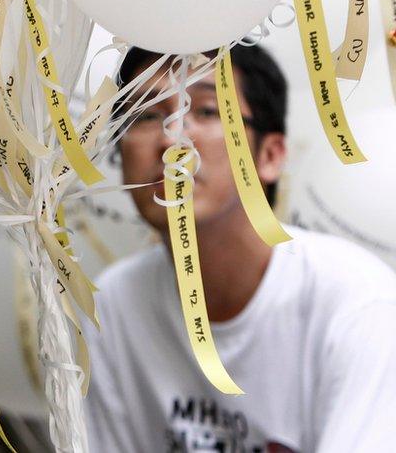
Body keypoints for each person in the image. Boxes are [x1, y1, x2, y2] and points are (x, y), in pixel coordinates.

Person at [84, 45, 396, 452]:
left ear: (270, 155)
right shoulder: (112, 306)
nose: (172, 140)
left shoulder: (356, 301)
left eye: (208, 111)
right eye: (145, 114)